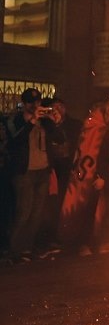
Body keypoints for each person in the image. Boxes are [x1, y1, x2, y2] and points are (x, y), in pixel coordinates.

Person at [3, 88, 51, 263]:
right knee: (23, 211)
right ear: (24, 104)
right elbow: (15, 140)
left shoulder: (43, 121)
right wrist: (31, 121)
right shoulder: (14, 120)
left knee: (36, 213)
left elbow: (57, 138)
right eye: (31, 102)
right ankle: (13, 249)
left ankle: (26, 248)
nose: (35, 105)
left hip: (42, 169)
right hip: (24, 171)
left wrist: (56, 121)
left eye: (38, 102)